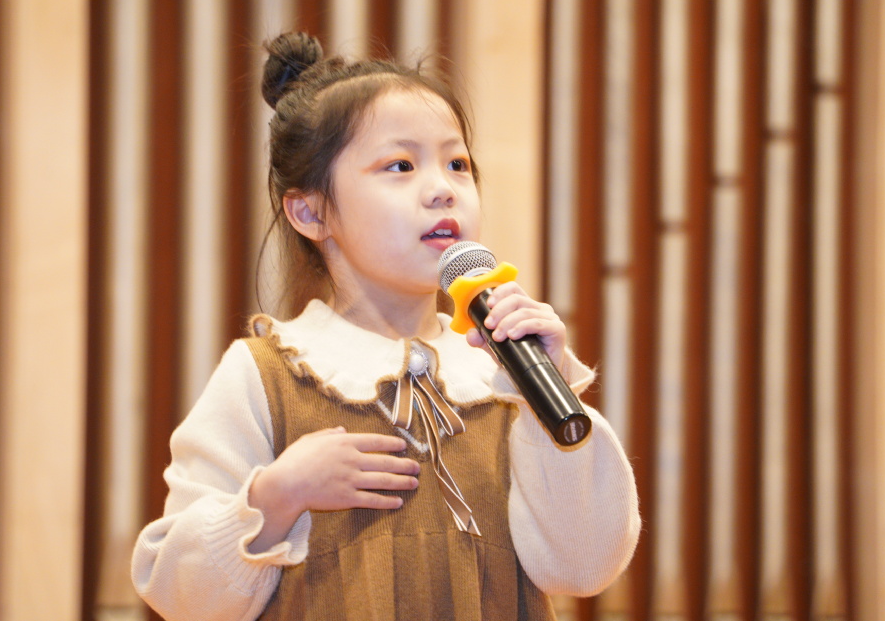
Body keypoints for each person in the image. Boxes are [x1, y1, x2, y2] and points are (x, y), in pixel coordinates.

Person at [131, 31, 640, 621]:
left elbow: (582, 569)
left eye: (458, 164)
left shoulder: (502, 373)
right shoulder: (266, 375)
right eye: (401, 165)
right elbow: (181, 595)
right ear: (311, 212)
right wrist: (276, 496)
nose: (442, 189)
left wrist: (545, 391)